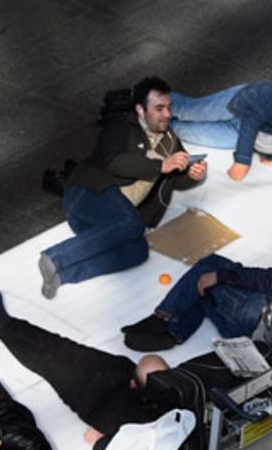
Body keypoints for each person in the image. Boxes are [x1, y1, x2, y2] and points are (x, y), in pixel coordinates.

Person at [38, 76, 208, 298]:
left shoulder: (170, 140)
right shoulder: (120, 126)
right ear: (140, 110)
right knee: (132, 222)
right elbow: (114, 162)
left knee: (137, 251)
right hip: (88, 195)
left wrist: (194, 174)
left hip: (108, 225)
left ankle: (64, 274)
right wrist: (161, 165)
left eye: (168, 107)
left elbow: (178, 178)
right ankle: (55, 257)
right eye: (159, 108)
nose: (167, 114)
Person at [0, 285, 175, 450]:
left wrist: (99, 440)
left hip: (91, 397)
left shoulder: (151, 431)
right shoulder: (175, 401)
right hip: (116, 371)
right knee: (58, 344)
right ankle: (5, 321)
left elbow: (107, 445)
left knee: (45, 362)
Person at [119, 225, 272, 351]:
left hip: (257, 315)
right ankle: (174, 331)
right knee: (209, 282)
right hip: (271, 337)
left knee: (208, 269)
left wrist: (224, 275)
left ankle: (163, 319)